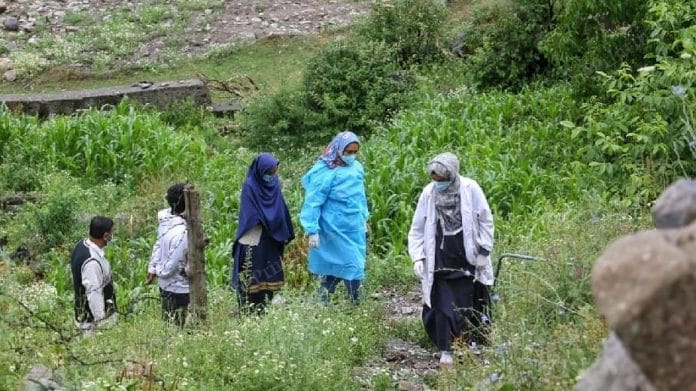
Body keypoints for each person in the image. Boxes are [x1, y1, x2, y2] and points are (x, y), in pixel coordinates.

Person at [407, 152, 494, 366]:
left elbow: (485, 220)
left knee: (464, 303)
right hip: (439, 256)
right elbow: (417, 228)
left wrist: (483, 251)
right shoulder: (429, 194)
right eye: (435, 180)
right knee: (442, 303)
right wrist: (418, 257)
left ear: (452, 175)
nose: (438, 184)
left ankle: (463, 342)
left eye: (442, 180)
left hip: (465, 257)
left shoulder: (470, 189)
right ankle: (446, 348)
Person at [300, 131, 369, 304]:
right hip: (332, 227)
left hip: (353, 227)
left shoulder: (357, 168)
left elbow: (360, 196)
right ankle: (325, 303)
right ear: (338, 149)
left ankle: (354, 303)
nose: (351, 156)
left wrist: (364, 218)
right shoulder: (325, 172)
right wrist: (312, 230)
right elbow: (313, 202)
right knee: (334, 265)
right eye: (348, 152)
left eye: (354, 152)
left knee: (354, 263)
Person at [231, 153, 295, 313]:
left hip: (272, 238)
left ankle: (266, 308)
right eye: (269, 173)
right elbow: (250, 214)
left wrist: (282, 226)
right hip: (254, 236)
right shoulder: (250, 185)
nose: (271, 176)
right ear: (260, 170)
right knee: (251, 274)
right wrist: (269, 221)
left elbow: (280, 207)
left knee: (270, 276)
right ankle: (248, 310)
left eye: (274, 172)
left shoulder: (274, 183)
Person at [71, 216, 118, 334]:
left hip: (82, 315)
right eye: (112, 232)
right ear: (106, 236)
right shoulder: (92, 262)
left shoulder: (80, 245)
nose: (113, 235)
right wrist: (102, 323)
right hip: (91, 324)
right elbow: (93, 293)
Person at [152, 183, 189, 327]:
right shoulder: (184, 231)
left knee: (169, 324)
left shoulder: (165, 221)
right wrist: (160, 271)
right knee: (179, 326)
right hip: (179, 287)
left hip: (165, 286)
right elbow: (173, 261)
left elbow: (158, 245)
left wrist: (153, 268)